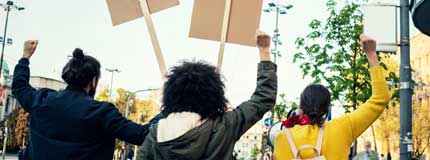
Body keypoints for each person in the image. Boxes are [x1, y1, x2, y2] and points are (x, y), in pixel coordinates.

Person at [137, 31, 277, 160]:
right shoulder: (224, 126)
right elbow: (263, 98)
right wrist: (264, 52)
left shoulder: (155, 134)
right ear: (215, 95)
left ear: (171, 96)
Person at [12, 40, 161, 160]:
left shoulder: (42, 100)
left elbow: (19, 86)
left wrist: (25, 57)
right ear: (93, 81)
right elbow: (142, 135)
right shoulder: (102, 112)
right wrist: (171, 108)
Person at [273, 34, 390, 160]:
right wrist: (371, 54)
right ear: (326, 109)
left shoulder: (282, 138)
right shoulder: (342, 128)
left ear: (300, 107)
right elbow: (380, 98)